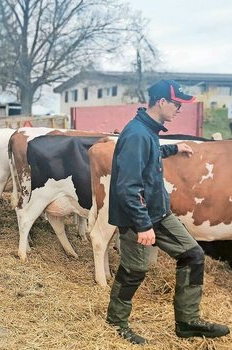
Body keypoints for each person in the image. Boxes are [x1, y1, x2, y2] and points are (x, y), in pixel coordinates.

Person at [106, 79, 230, 345]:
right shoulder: (137, 134)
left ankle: (187, 321)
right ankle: (116, 322)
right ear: (161, 102)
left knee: (193, 255)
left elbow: (148, 155)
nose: (178, 109)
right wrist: (142, 226)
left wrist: (174, 148)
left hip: (158, 211)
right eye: (176, 104)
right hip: (138, 216)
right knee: (135, 268)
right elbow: (127, 188)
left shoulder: (147, 131)